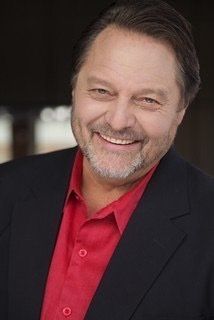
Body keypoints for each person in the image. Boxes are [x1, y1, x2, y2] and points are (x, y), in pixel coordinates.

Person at [1, 0, 214, 319]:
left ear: (180, 111)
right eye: (102, 91)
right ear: (74, 90)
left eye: (147, 100)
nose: (118, 121)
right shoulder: (6, 189)